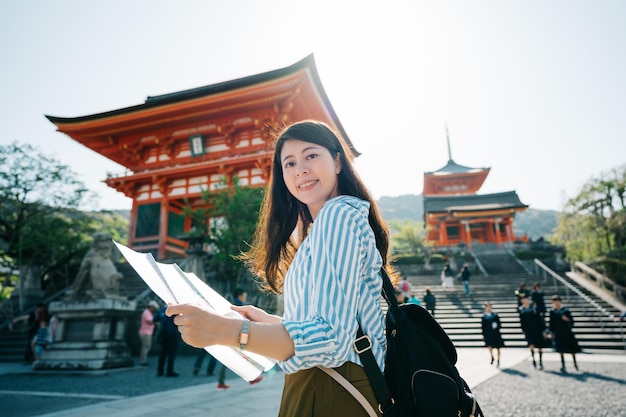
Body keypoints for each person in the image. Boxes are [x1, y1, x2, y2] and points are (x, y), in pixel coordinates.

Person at [166, 120, 393, 416]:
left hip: (335, 388)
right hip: (322, 383)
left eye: (311, 155)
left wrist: (230, 331)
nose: (300, 169)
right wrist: (269, 322)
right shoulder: (317, 229)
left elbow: (331, 339)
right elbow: (327, 323)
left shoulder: (337, 216)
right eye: (289, 163)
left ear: (337, 161)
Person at [549, 295, 581, 373]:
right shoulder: (552, 312)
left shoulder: (566, 311)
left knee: (572, 349)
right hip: (558, 332)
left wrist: (567, 319)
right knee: (560, 349)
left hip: (567, 332)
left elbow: (572, 322)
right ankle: (563, 365)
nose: (556, 303)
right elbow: (551, 323)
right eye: (554, 302)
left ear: (560, 301)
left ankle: (575, 363)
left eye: (557, 301)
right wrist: (552, 332)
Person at [518, 295, 551, 370]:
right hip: (528, 330)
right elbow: (522, 322)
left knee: (539, 346)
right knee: (531, 345)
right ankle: (533, 361)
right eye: (523, 299)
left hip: (537, 329)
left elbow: (540, 319)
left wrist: (544, 330)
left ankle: (540, 361)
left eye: (526, 299)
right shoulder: (521, 309)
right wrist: (523, 330)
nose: (525, 300)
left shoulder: (534, 308)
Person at [155, 307, 180, 377]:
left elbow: (155, 319)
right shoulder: (175, 310)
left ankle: (160, 370)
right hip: (172, 333)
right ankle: (169, 370)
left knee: (162, 353)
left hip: (163, 333)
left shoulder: (162, 310)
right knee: (171, 353)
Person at [138, 300, 159, 366]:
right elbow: (149, 321)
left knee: (145, 347)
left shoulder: (148, 312)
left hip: (147, 332)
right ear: (151, 307)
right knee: (146, 347)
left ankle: (143, 360)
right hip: (145, 333)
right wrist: (156, 323)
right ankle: (143, 361)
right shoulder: (146, 313)